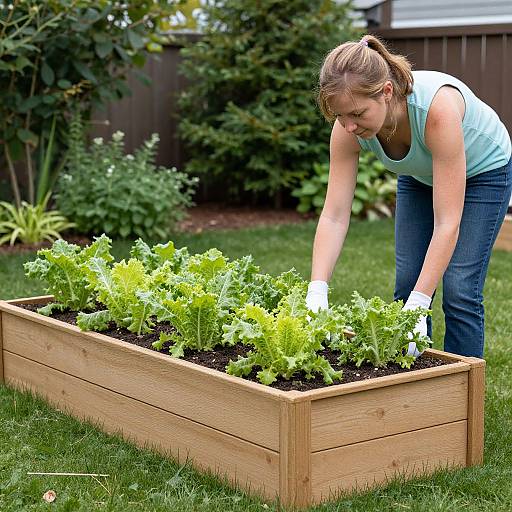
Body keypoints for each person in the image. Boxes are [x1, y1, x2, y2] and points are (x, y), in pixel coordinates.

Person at [305, 34, 512, 359]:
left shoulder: (436, 110)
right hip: (420, 175)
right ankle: (415, 390)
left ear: (387, 92)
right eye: (339, 117)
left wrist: (421, 301)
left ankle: (462, 396)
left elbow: (447, 222)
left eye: (357, 114)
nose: (348, 126)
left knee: (459, 288)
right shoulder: (348, 128)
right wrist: (316, 290)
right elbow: (334, 215)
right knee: (408, 282)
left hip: (484, 174)